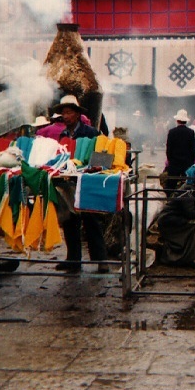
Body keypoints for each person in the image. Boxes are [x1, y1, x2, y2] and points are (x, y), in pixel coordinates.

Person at [52, 95, 108, 273]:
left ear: (77, 114)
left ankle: (101, 260)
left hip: (85, 183)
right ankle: (73, 259)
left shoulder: (90, 132)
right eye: (63, 113)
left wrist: (96, 167)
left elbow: (103, 152)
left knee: (91, 221)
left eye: (69, 112)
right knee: (69, 221)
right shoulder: (62, 135)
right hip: (67, 183)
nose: (66, 116)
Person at [165, 109, 195, 195]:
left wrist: (170, 160)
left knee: (170, 186)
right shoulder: (191, 132)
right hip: (186, 163)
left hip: (174, 163)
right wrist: (191, 162)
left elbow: (169, 149)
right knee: (186, 185)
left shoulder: (172, 132)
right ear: (186, 121)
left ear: (177, 120)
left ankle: (168, 200)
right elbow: (193, 149)